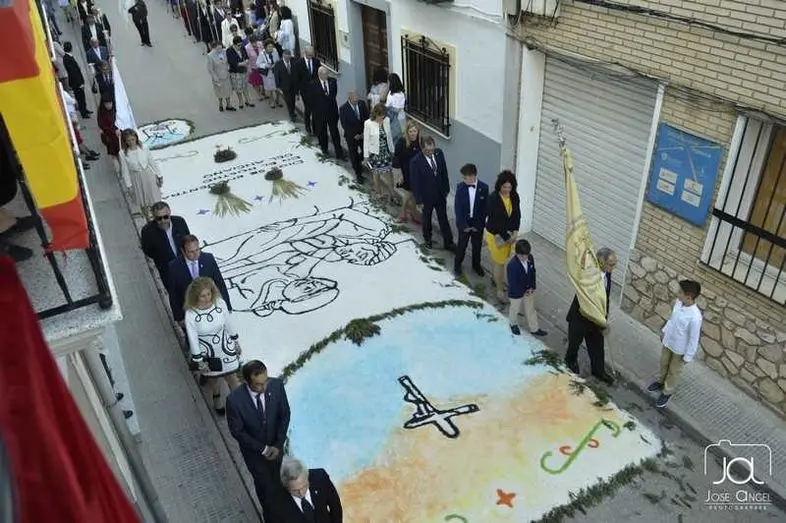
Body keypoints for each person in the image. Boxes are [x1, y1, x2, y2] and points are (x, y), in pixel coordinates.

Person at [226, 360, 291, 522]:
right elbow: (237, 431)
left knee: (281, 481)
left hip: (276, 447)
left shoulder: (276, 386)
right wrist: (263, 449)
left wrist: (278, 444)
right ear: (247, 382)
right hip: (255, 454)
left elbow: (284, 414)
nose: (264, 387)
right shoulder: (234, 400)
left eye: (265, 381)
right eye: (258, 385)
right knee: (265, 487)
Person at [184, 277, 242, 414]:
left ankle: (240, 405)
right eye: (203, 296)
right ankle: (217, 401)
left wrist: (235, 341)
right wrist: (199, 360)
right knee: (214, 380)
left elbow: (228, 322)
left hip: (225, 347)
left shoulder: (220, 303)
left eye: (208, 294)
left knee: (232, 378)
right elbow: (193, 338)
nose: (207, 298)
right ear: (195, 296)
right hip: (208, 352)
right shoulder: (191, 313)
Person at [564, 247, 618, 386]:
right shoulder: (588, 275)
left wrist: (604, 318)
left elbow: (605, 298)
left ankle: (598, 371)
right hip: (580, 317)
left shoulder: (607, 274)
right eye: (611, 264)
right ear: (601, 262)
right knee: (574, 344)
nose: (613, 268)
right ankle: (570, 362)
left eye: (614, 264)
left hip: (597, 320)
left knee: (597, 347)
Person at [648, 279, 703, 408]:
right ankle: (660, 382)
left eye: (680, 292)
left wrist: (688, 356)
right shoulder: (679, 303)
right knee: (663, 363)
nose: (677, 293)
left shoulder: (695, 317)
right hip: (668, 342)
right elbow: (672, 320)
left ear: (688, 296)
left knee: (674, 371)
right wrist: (664, 331)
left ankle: (667, 392)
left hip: (680, 349)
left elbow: (693, 338)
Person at [168, 234, 232, 326]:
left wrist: (227, 306)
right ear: (183, 251)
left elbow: (220, 283)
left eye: (197, 250)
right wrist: (179, 317)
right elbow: (173, 294)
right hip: (191, 311)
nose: (195, 254)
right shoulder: (174, 267)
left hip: (210, 306)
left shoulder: (208, 259)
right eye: (191, 252)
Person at [409, 136, 454, 251]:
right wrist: (418, 200)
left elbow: (444, 172)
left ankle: (448, 242)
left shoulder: (439, 153)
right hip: (426, 197)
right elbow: (415, 183)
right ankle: (428, 239)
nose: (431, 152)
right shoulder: (416, 162)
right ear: (422, 149)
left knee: (443, 218)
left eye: (432, 149)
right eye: (428, 150)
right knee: (427, 219)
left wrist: (446, 189)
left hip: (440, 194)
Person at [484, 170, 520, 303]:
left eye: (510, 187)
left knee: (499, 260)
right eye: (505, 187)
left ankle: (495, 279)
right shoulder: (493, 198)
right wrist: (507, 237)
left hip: (509, 234)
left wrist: (515, 231)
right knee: (500, 262)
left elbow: (517, 214)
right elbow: (495, 221)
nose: (507, 190)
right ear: (499, 185)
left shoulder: (514, 196)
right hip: (496, 234)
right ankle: (499, 289)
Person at [271, 457, 343, 522]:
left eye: (304, 487)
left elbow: (335, 507)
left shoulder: (320, 478)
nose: (301, 493)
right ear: (285, 486)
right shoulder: (275, 502)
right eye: (295, 490)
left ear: (307, 478)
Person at [140, 202, 191, 289]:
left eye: (166, 217)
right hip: (167, 271)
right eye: (159, 218)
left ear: (169, 213)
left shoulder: (179, 222)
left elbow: (188, 239)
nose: (163, 221)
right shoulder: (147, 231)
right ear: (154, 217)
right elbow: (148, 250)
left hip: (186, 265)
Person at [507, 239, 547, 337]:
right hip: (517, 293)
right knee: (514, 309)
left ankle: (534, 328)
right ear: (517, 253)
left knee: (531, 309)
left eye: (526, 255)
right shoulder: (512, 266)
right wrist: (525, 290)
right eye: (522, 256)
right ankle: (513, 324)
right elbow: (513, 283)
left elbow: (533, 272)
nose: (525, 258)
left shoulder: (530, 258)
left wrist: (532, 287)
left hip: (529, 290)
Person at [453, 163, 488, 277]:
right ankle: (457, 264)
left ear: (473, 176)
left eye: (465, 177)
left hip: (477, 222)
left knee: (477, 246)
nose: (463, 179)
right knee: (462, 245)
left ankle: (476, 265)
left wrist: (479, 225)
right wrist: (463, 225)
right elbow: (458, 208)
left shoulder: (484, 188)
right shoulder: (460, 187)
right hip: (464, 222)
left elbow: (484, 209)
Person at [119, 129, 162, 218]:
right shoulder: (122, 153)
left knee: (153, 197)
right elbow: (125, 170)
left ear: (136, 138)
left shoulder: (144, 148)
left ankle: (157, 215)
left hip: (147, 174)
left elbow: (152, 162)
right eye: (128, 140)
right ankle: (147, 217)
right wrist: (129, 185)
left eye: (133, 139)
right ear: (125, 141)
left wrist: (159, 175)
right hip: (136, 178)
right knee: (142, 200)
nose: (131, 142)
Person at [363, 103, 395, 205]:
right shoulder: (368, 123)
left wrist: (392, 150)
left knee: (389, 174)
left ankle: (392, 195)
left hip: (385, 151)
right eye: (380, 115)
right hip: (375, 153)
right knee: (376, 174)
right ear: (375, 114)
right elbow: (366, 140)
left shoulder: (387, 120)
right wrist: (366, 156)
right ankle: (378, 193)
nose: (382, 117)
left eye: (383, 115)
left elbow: (389, 137)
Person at [309, 67, 344, 159]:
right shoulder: (313, 84)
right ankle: (325, 150)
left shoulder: (333, 81)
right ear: (319, 74)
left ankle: (339, 153)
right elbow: (311, 100)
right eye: (325, 74)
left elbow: (334, 95)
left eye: (327, 73)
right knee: (322, 133)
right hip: (320, 114)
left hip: (332, 112)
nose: (327, 76)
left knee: (335, 133)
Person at [392, 120, 421, 223]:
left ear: (418, 132)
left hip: (417, 173)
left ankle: (413, 213)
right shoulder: (402, 142)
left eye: (415, 131)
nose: (413, 134)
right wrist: (399, 174)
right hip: (406, 172)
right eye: (410, 131)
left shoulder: (420, 142)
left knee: (413, 195)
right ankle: (402, 214)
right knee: (409, 193)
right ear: (407, 132)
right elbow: (396, 158)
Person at [339, 90, 369, 183]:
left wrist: (364, 133)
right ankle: (358, 173)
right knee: (353, 154)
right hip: (352, 136)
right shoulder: (343, 108)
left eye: (357, 99)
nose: (356, 101)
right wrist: (354, 135)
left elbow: (367, 118)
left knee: (365, 151)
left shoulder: (362, 104)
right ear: (350, 98)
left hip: (362, 134)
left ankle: (359, 162)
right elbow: (344, 124)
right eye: (354, 100)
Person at [62, 41, 91, 119]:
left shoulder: (68, 57)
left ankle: (85, 109)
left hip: (77, 81)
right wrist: (80, 83)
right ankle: (83, 113)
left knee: (82, 97)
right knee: (80, 98)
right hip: (76, 83)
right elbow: (73, 72)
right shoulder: (67, 58)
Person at [296, 46, 320, 134]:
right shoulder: (299, 63)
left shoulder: (316, 61)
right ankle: (307, 125)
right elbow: (296, 78)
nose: (311, 56)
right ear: (305, 53)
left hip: (315, 90)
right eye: (309, 55)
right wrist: (297, 92)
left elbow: (318, 74)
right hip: (305, 90)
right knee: (308, 108)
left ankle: (315, 127)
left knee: (315, 109)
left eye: (312, 55)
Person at [226, 36, 254, 109]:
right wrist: (242, 64)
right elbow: (231, 62)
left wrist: (247, 60)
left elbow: (246, 56)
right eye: (238, 45)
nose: (240, 46)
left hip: (243, 70)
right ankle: (241, 101)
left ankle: (248, 100)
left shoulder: (242, 47)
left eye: (241, 44)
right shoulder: (229, 50)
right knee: (238, 88)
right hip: (235, 72)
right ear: (234, 44)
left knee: (245, 86)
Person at [207, 41, 233, 112]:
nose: (220, 50)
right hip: (218, 77)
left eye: (221, 48)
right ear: (214, 48)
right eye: (218, 49)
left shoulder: (224, 52)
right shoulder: (210, 55)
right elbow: (210, 69)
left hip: (226, 75)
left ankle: (228, 105)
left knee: (228, 91)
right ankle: (220, 105)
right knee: (219, 92)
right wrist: (215, 78)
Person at [273, 49, 298, 121]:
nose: (287, 57)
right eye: (286, 55)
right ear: (283, 55)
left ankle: (292, 111)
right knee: (288, 100)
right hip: (284, 86)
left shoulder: (294, 61)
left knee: (293, 99)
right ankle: (291, 114)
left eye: (289, 55)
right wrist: (277, 86)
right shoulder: (278, 64)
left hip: (293, 85)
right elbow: (276, 75)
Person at [256, 39, 281, 109]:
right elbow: (258, 64)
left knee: (277, 87)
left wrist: (276, 64)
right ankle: (271, 100)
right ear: (265, 47)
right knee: (270, 88)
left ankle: (277, 100)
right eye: (269, 47)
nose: (271, 48)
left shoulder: (275, 51)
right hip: (268, 73)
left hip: (275, 71)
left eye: (272, 46)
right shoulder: (262, 54)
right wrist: (265, 65)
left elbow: (278, 60)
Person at [385, 73, 406, 143]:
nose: (387, 83)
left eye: (388, 82)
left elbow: (397, 110)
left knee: (397, 138)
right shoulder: (390, 92)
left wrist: (388, 108)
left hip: (398, 120)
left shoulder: (399, 95)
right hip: (391, 119)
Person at [245, 35, 265, 100]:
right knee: (255, 82)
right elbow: (247, 59)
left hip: (262, 66)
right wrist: (249, 69)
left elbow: (264, 53)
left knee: (263, 80)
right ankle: (259, 95)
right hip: (253, 67)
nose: (255, 44)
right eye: (253, 42)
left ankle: (263, 91)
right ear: (250, 42)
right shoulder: (247, 48)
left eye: (255, 42)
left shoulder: (260, 44)